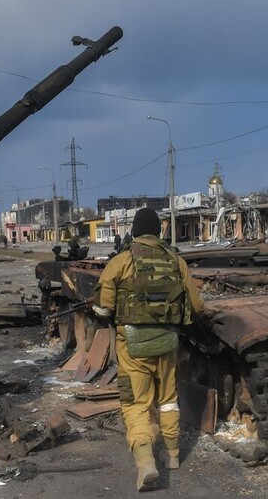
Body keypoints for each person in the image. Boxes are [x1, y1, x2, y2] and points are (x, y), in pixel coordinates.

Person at [92, 208, 204, 492]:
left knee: (136, 404)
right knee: (168, 400)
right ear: (158, 232)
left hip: (133, 345)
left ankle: (145, 463)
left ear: (134, 232)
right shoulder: (176, 261)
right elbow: (196, 306)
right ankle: (172, 455)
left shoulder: (121, 261)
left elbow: (102, 308)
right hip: (168, 343)